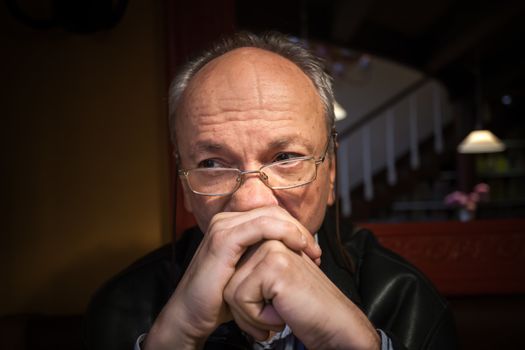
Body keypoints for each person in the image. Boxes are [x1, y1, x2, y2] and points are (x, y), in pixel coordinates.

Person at [84, 32, 457, 350]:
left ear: (330, 172)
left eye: (285, 157)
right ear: (185, 185)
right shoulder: (122, 306)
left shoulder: (405, 299)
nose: (252, 200)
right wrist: (174, 337)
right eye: (212, 164)